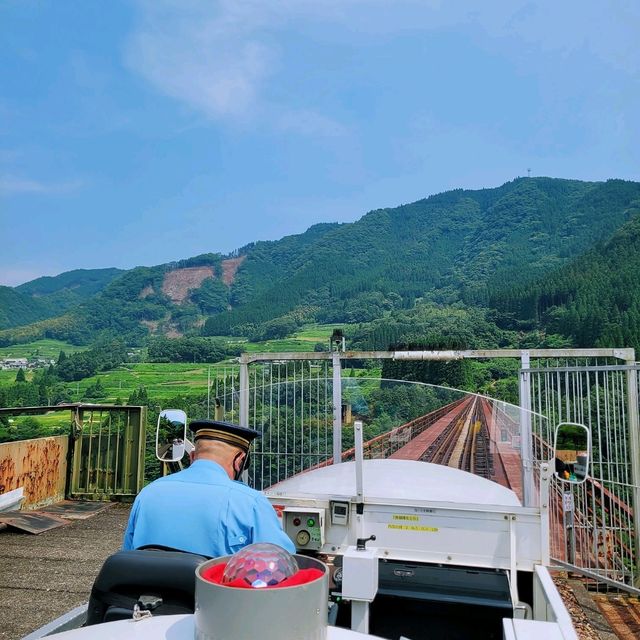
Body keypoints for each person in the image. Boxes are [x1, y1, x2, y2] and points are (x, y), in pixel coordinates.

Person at [123, 419, 295, 557]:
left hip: (147, 598)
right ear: (239, 461)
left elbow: (128, 556)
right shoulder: (250, 503)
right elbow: (281, 565)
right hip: (217, 600)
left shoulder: (149, 493)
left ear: (191, 457)